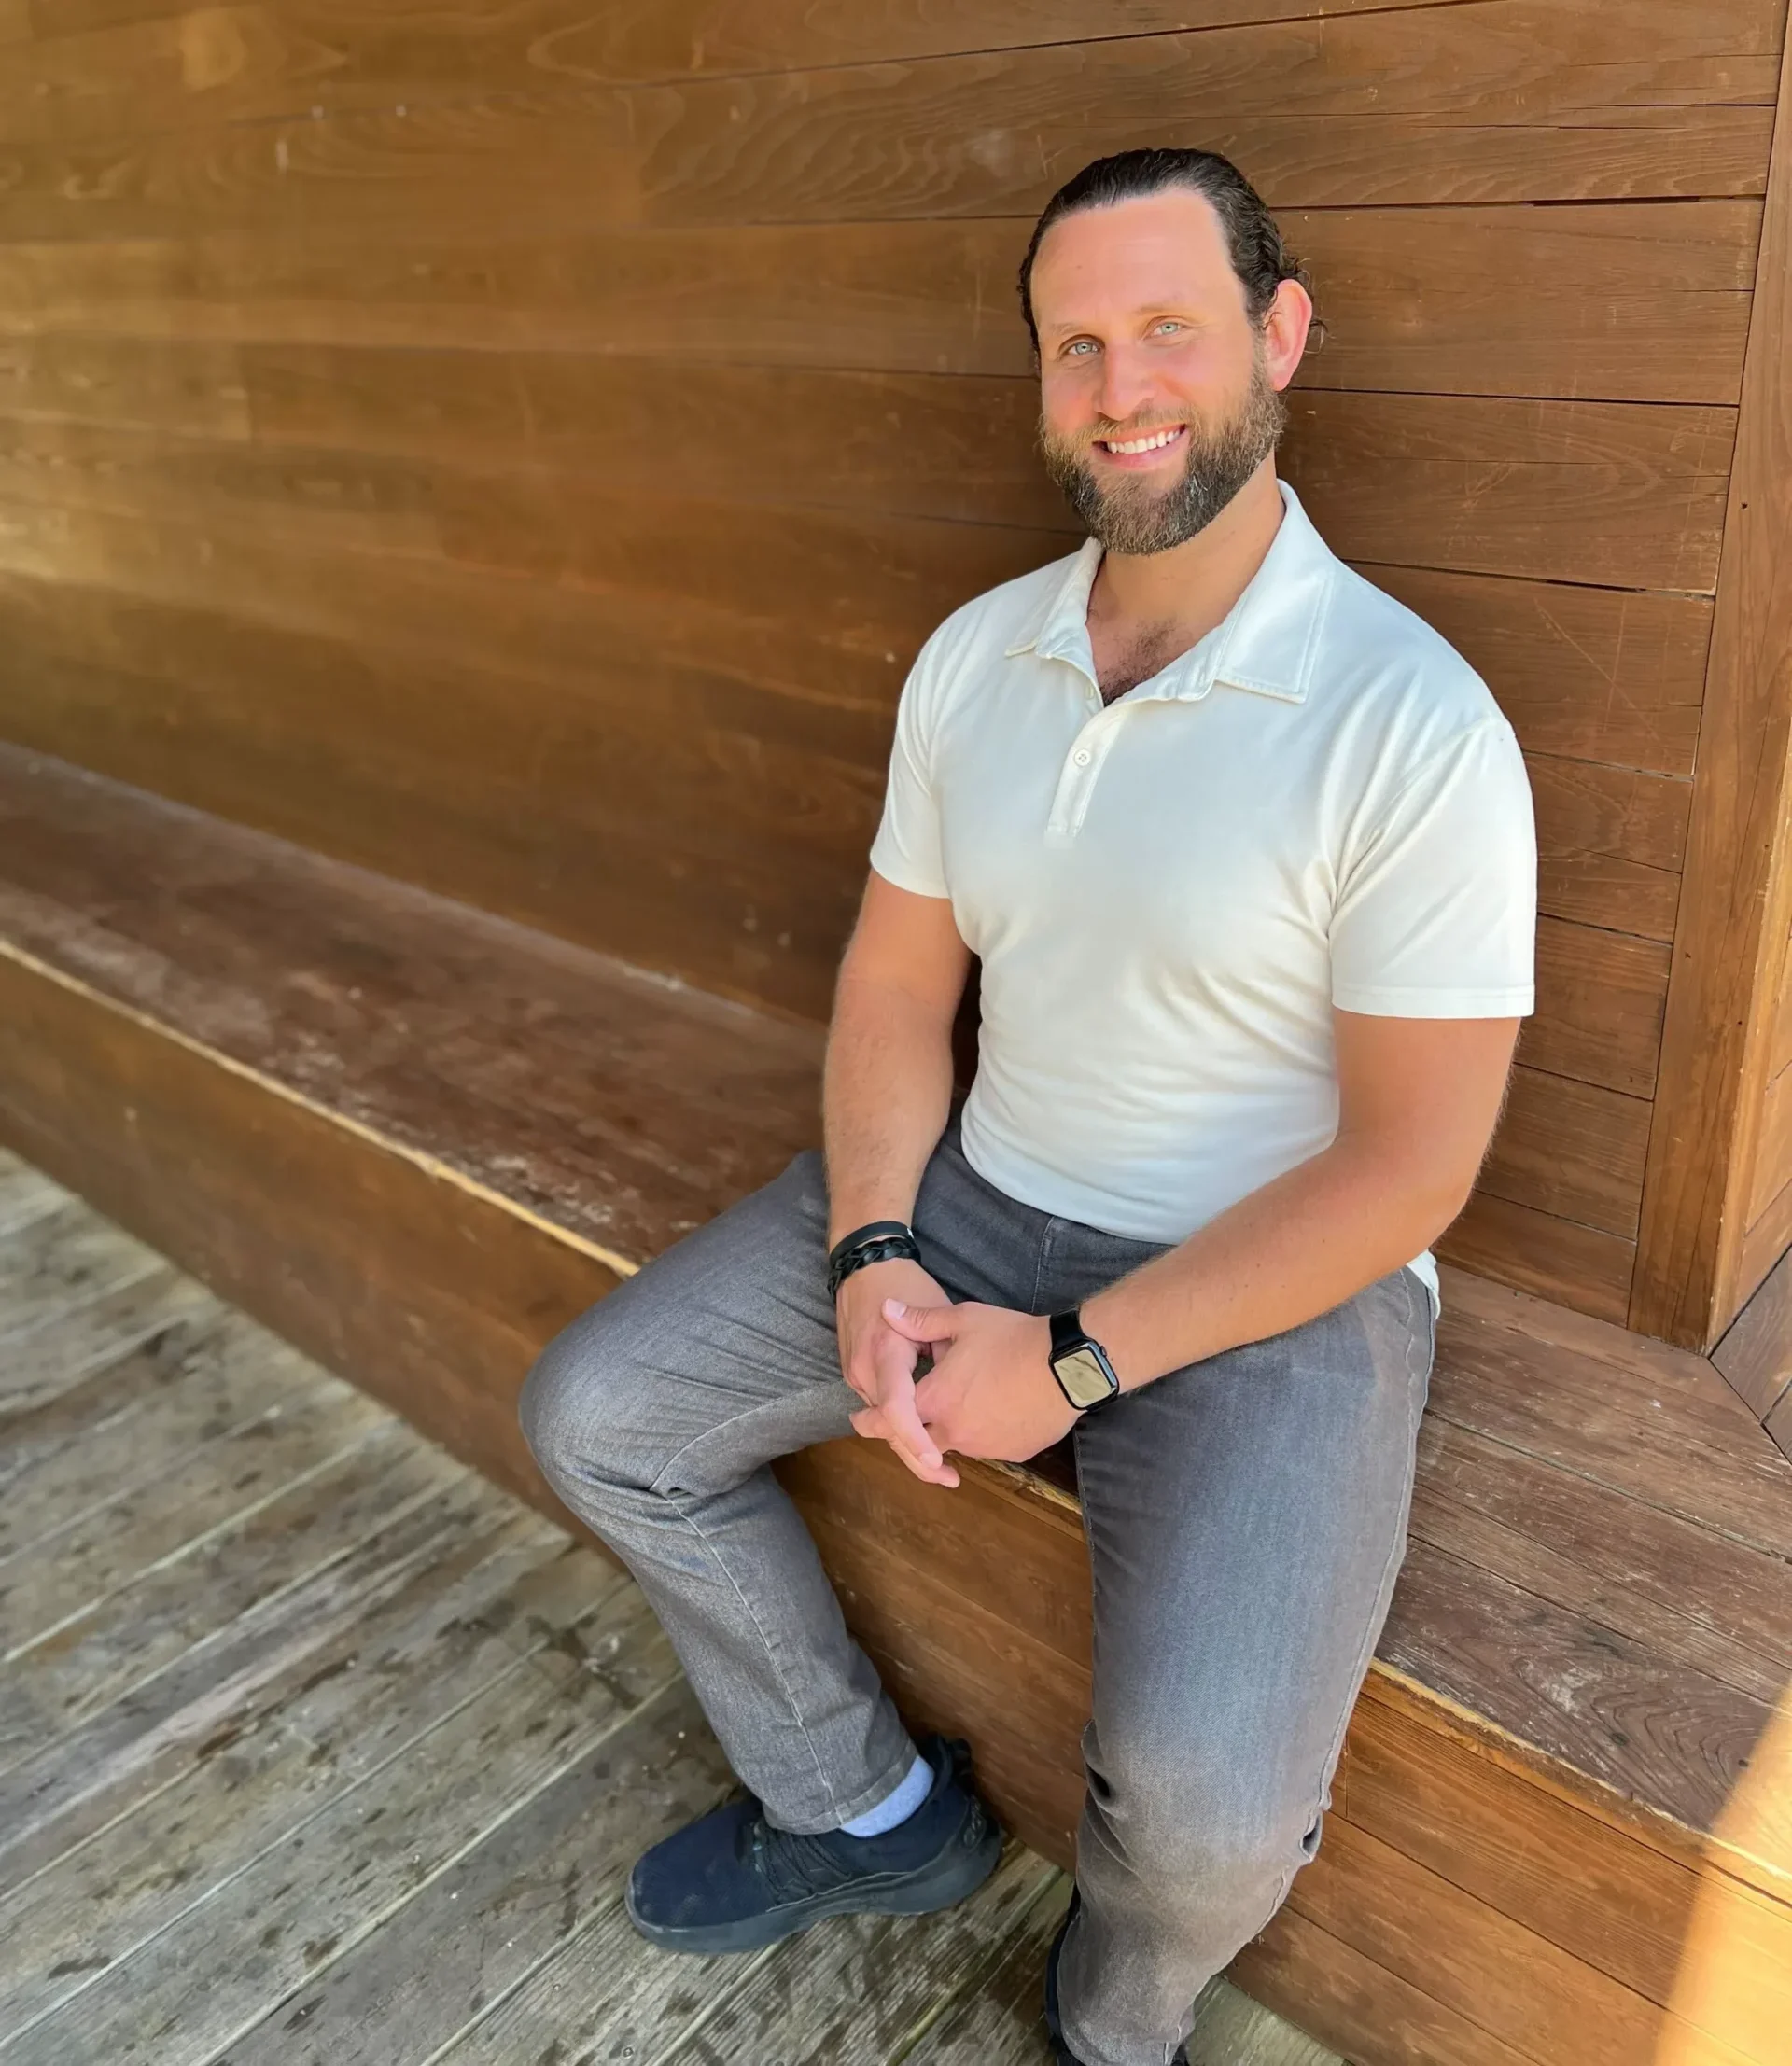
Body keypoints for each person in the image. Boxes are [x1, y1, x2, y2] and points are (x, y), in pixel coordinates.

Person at [519, 146, 1536, 2066]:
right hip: (982, 1198)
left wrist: (1067, 1366)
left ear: (1279, 338)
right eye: (1077, 345)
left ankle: (1109, 2019)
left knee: (1211, 1811)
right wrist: (881, 1246)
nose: (1124, 387)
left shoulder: (1415, 724)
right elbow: (901, 986)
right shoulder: (977, 660)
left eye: (1170, 327)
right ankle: (867, 1816)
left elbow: (1412, 1166)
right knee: (602, 1414)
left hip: (1278, 1293)